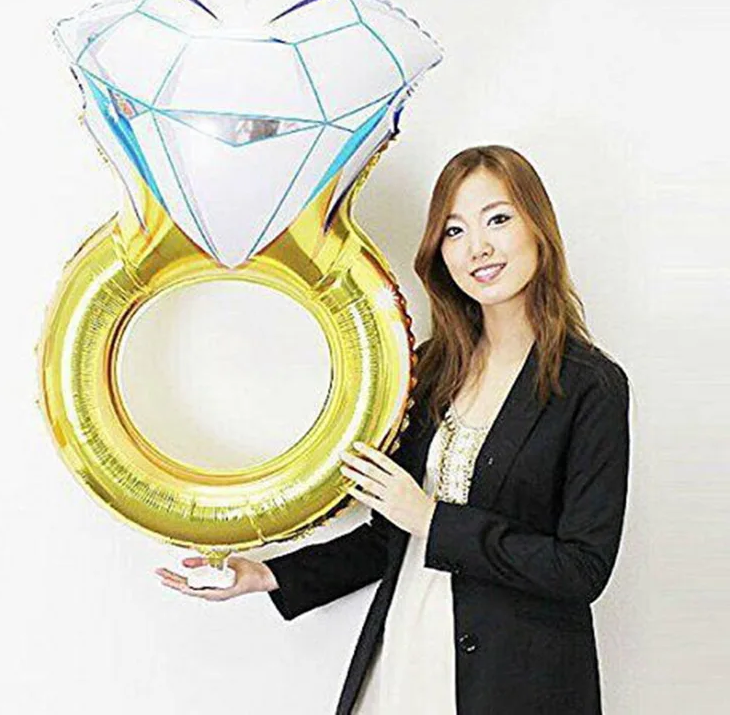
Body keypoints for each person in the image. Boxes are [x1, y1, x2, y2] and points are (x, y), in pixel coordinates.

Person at [155, 145, 632, 714]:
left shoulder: (590, 387)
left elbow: (581, 568)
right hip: (407, 648)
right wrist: (268, 575)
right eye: (454, 230)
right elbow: (389, 535)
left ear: (538, 228)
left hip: (515, 680)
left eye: (498, 219)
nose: (477, 247)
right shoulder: (429, 370)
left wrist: (433, 519)